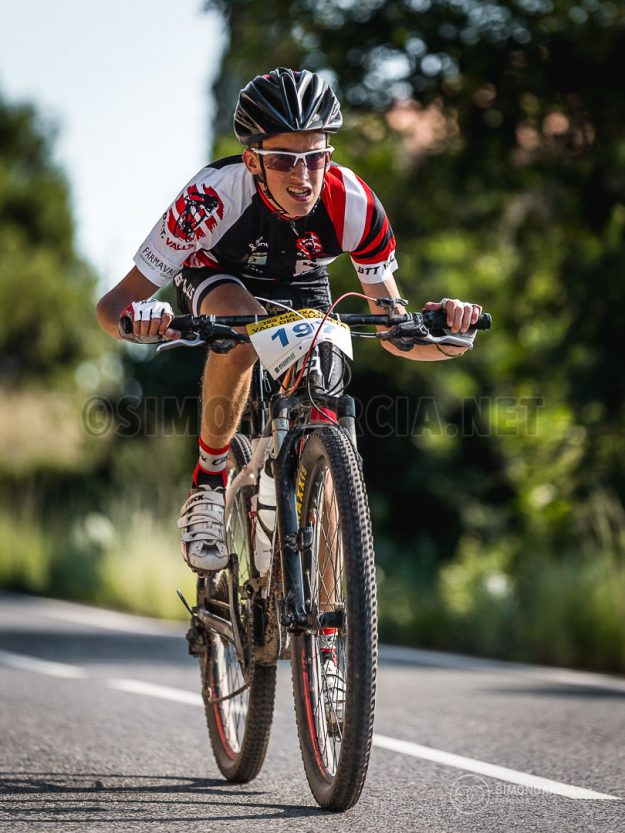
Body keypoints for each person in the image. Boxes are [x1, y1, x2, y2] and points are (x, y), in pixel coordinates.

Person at [96, 67, 482, 576]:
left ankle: (307, 509)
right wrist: (138, 323)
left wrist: (454, 335)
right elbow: (113, 304)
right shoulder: (210, 199)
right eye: (282, 159)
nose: (302, 177)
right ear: (253, 160)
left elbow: (396, 335)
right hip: (219, 275)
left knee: (325, 375)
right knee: (241, 330)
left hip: (302, 285)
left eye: (316, 157)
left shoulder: (356, 205)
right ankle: (209, 486)